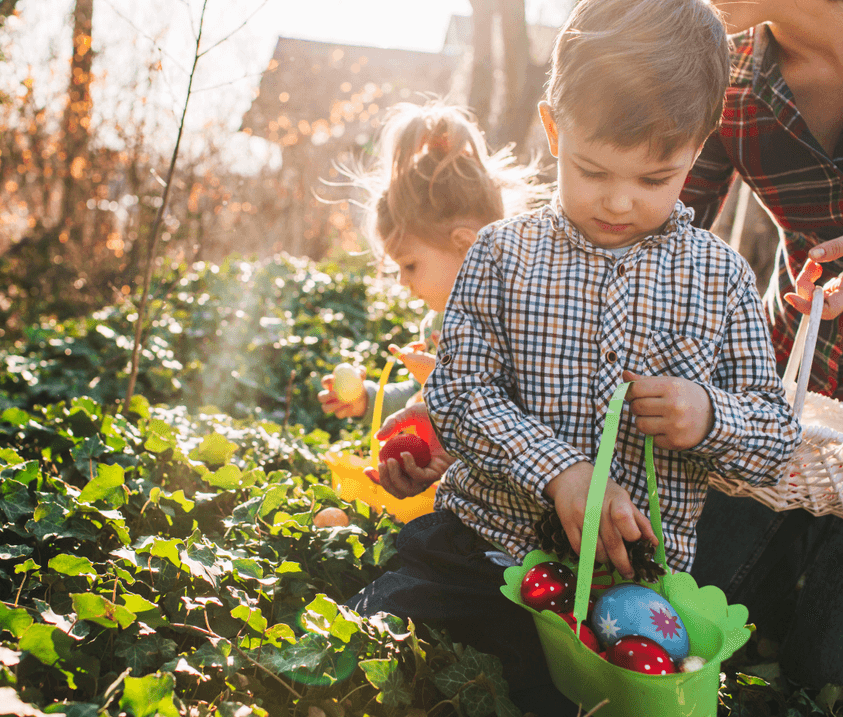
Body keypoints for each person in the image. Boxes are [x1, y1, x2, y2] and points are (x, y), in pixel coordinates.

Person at [347, 1, 803, 714]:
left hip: (623, 599)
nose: (620, 200)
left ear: (698, 145)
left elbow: (775, 442)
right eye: (593, 170)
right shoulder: (501, 256)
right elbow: (462, 394)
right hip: (479, 548)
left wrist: (709, 414)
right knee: (371, 645)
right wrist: (562, 470)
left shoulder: (721, 280)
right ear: (554, 129)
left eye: (655, 178)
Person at [681, 0, 843, 689]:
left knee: (824, 667)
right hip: (795, 391)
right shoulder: (727, 73)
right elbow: (650, 223)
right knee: (691, 621)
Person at [315, 101, 545, 435]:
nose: (402, 281)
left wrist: (446, 384)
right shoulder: (439, 323)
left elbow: (534, 415)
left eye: (409, 265)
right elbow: (417, 399)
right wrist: (368, 401)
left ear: (465, 246)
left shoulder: (528, 314)